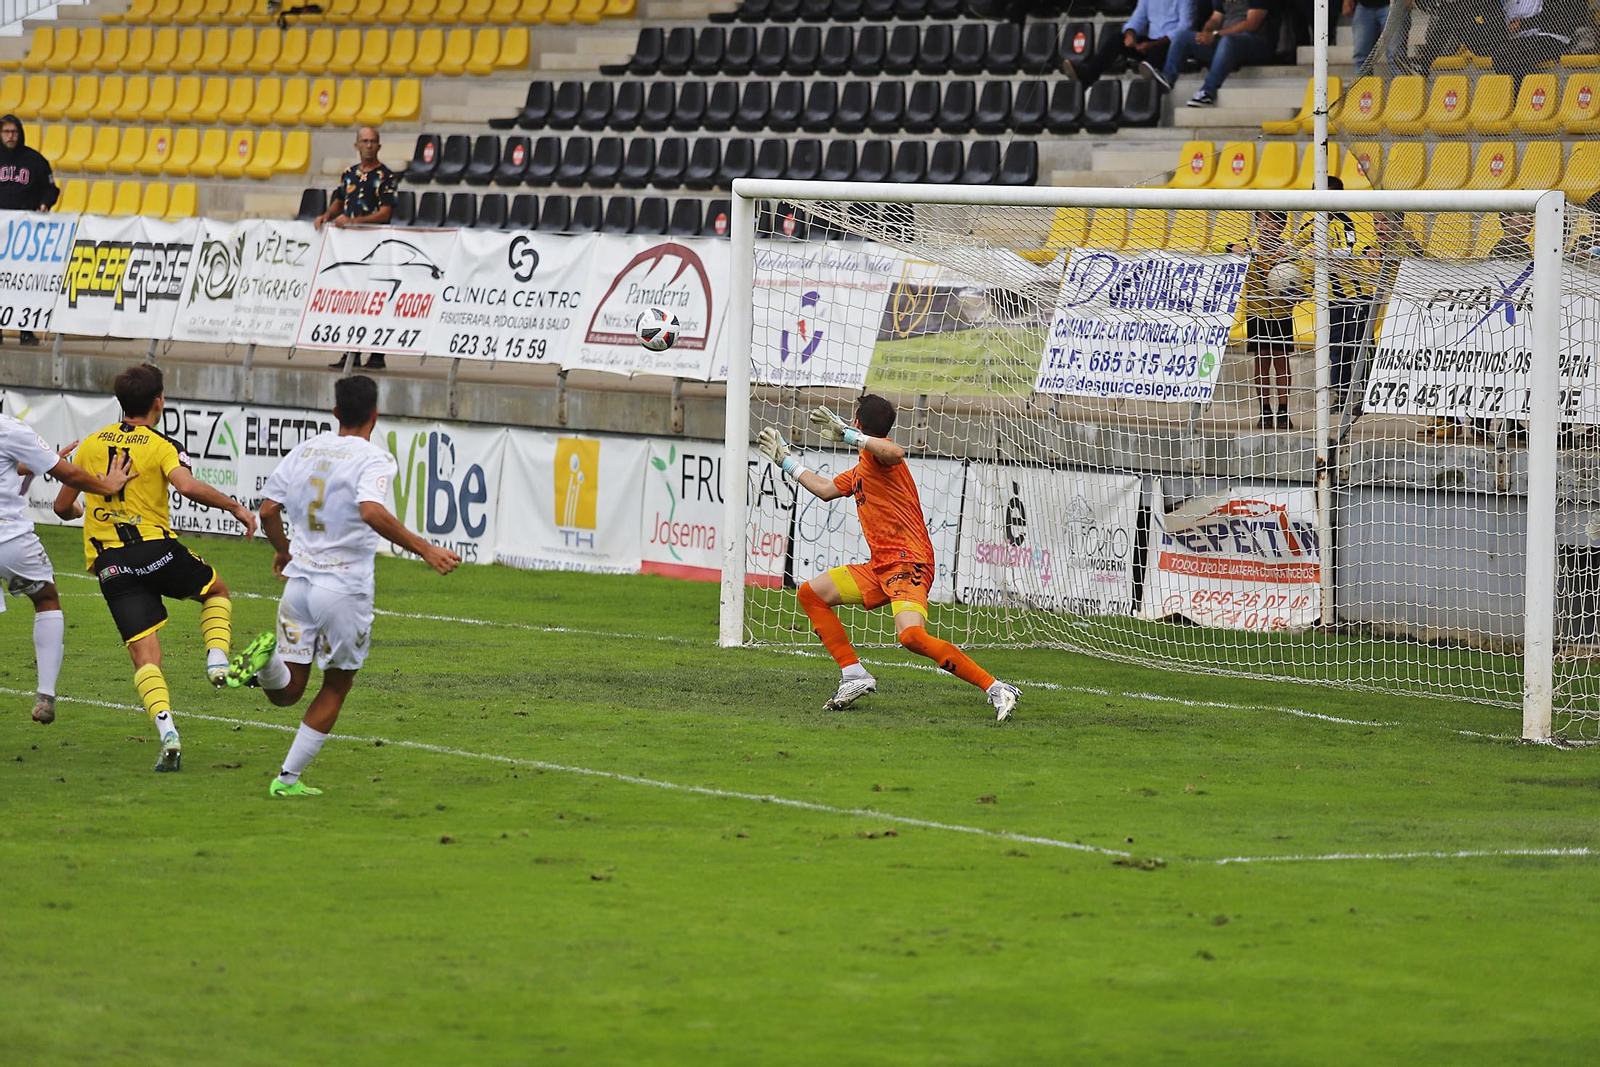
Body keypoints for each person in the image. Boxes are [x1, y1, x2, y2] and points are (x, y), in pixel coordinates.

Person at [226, 376, 461, 797]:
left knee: (289, 690)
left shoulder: (306, 449)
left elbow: (266, 510)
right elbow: (371, 511)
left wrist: (284, 550)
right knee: (337, 684)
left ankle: (265, 663)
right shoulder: (374, 458)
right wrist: (425, 549)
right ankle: (286, 780)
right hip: (343, 588)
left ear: (335, 413)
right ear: (375, 414)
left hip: (298, 587)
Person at [755, 396, 1020, 722]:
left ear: (856, 424)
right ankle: (854, 675)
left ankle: (997, 688)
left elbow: (895, 452)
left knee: (911, 637)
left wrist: (849, 436)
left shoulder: (881, 457)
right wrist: (786, 461)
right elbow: (824, 490)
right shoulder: (862, 468)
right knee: (811, 593)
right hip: (880, 567)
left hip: (909, 565)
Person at [52, 365, 257, 773]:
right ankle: (217, 661)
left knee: (145, 657)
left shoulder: (90, 444)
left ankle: (168, 735)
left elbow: (61, 507)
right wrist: (234, 507)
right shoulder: (161, 444)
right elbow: (186, 485)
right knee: (215, 591)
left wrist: (81, 510)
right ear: (158, 401)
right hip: (155, 551)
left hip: (112, 565)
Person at [1, 412, 135, 725]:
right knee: (46, 599)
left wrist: (40, 460)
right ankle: (45, 694)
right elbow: (69, 475)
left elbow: (13, 467)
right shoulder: (8, 427)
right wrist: (106, 486)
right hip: (9, 538)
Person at [314, 126, 397, 373]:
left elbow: (386, 212)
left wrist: (355, 221)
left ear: (379, 146)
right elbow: (340, 199)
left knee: (375, 297)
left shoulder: (386, 177)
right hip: (350, 246)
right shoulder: (349, 174)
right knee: (351, 298)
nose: (369, 145)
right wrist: (327, 215)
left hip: (375, 244)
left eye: (372, 141)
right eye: (364, 141)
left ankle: (377, 353)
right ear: (356, 146)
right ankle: (351, 351)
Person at [1218, 210, 1300, 429]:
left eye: (1271, 221)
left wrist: (1297, 292)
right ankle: (1264, 411)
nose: (1265, 226)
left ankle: (1283, 411)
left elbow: (1303, 284)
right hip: (1257, 314)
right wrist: (1230, 248)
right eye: (1260, 221)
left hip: (1282, 315)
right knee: (1261, 362)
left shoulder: (1288, 252)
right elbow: (1213, 246)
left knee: (1281, 361)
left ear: (1281, 226)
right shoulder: (1248, 247)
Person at [1144, 0, 1284, 108]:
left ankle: (1207, 92)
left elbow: (1251, 24)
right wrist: (1205, 33)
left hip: (1257, 44)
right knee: (1182, 37)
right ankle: (1167, 77)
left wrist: (1216, 35)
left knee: (1228, 41)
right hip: (1226, 42)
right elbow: (1216, 18)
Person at [0, 114, 60, 347]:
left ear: (20, 133)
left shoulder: (35, 161)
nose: (10, 136)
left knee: (24, 281)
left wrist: (44, 204)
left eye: (14, 132)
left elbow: (51, 189)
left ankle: (27, 330)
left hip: (25, 234)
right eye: (6, 132)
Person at [1063, 0, 1203, 87]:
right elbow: (1137, 19)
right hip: (1151, 43)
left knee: (1158, 51)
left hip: (1173, 45)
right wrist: (1130, 33)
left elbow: (1186, 26)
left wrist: (1154, 44)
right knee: (1117, 40)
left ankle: (1157, 76)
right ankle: (1087, 77)